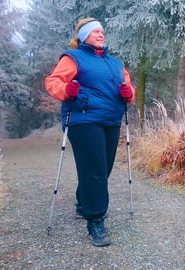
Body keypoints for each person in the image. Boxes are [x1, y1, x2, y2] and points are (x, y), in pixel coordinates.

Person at [45, 17, 136, 247]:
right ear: (83, 36)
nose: (101, 34)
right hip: (83, 119)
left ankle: (83, 200)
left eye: (102, 31)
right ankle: (95, 220)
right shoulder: (73, 57)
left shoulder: (115, 63)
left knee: (103, 168)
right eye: (95, 31)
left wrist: (128, 94)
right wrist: (67, 89)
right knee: (95, 170)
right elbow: (53, 82)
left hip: (111, 120)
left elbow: (129, 89)